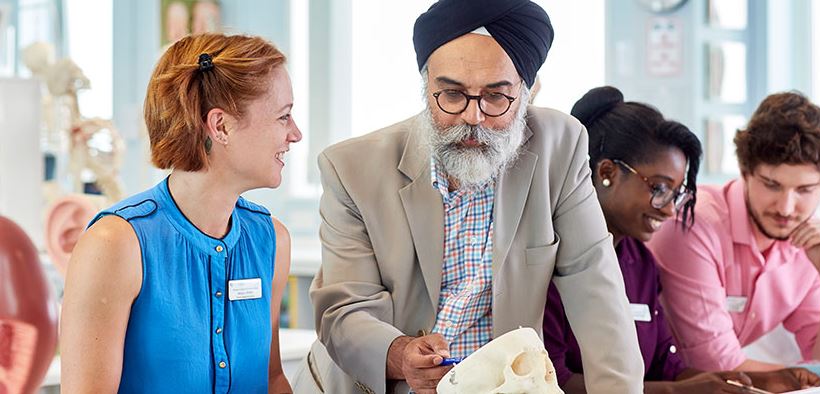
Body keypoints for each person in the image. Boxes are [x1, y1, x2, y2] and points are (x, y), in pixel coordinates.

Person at [293, 1, 644, 393]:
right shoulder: (351, 169)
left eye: (496, 97)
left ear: (526, 93)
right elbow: (344, 312)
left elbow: (598, 293)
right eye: (452, 94)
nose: (472, 117)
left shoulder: (559, 147)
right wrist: (399, 353)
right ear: (426, 88)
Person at [60, 33, 302, 393]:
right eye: (283, 116)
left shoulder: (271, 240)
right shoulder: (114, 245)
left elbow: (271, 380)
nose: (295, 134)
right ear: (220, 126)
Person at [544, 86, 820, 393]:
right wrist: (678, 392)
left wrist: (761, 380)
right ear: (607, 172)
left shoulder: (639, 262)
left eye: (676, 194)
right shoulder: (553, 257)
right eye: (659, 189)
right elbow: (551, 379)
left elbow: (668, 366)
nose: (669, 211)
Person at [648, 91, 820, 372]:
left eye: (804, 190)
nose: (786, 208)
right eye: (771, 185)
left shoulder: (808, 245)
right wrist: (811, 378)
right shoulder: (693, 226)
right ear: (745, 171)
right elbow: (719, 367)